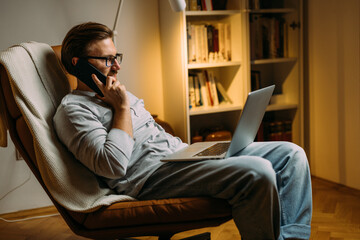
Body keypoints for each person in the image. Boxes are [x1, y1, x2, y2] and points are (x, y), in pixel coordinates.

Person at [53, 22, 312, 240]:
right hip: (150, 177)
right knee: (258, 172)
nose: (117, 67)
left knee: (292, 154)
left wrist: (191, 151)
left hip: (181, 157)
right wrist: (121, 109)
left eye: (116, 58)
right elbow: (113, 166)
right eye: (107, 59)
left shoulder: (116, 92)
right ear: (79, 64)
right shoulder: (73, 110)